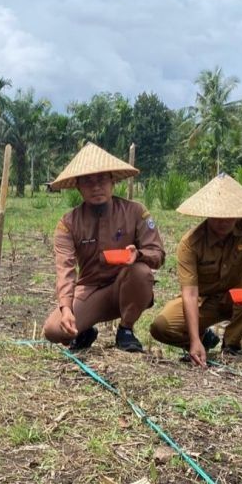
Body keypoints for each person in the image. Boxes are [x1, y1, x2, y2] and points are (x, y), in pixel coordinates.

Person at [43, 143, 165, 352]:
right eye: (88, 181)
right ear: (78, 187)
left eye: (101, 179)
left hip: (125, 286)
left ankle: (126, 329)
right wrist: (65, 308)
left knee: (141, 272)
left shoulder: (135, 212)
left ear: (112, 182)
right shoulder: (68, 223)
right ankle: (84, 330)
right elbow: (65, 269)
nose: (96, 186)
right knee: (54, 330)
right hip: (90, 289)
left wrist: (139, 255)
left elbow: (158, 254)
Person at [150, 173, 242, 366]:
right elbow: (189, 293)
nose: (223, 221)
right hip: (203, 302)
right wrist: (194, 340)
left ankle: (231, 343)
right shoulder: (191, 243)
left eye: (228, 216)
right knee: (161, 326)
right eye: (217, 216)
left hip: (238, 298)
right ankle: (202, 340)